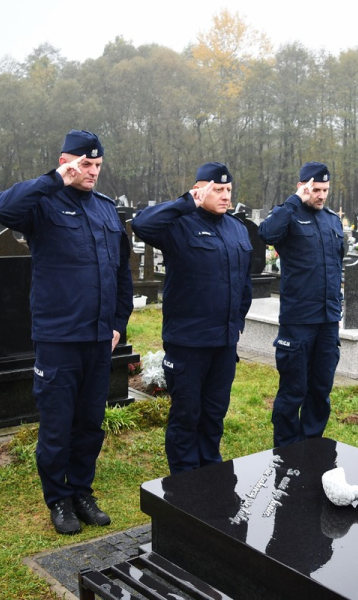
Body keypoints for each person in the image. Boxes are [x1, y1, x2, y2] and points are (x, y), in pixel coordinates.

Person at [0, 130, 133, 535]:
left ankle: (82, 491)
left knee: (90, 422)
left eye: (97, 166)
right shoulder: (43, 203)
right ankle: (58, 498)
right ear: (67, 161)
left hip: (98, 339)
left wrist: (118, 326)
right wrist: (56, 178)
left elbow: (121, 274)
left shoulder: (107, 210)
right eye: (85, 165)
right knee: (57, 424)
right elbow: (2, 208)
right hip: (58, 337)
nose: (92, 172)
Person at [131, 162, 252, 474]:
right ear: (200, 190)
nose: (225, 196)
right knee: (186, 415)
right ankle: (185, 482)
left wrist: (237, 323)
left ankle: (210, 471)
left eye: (228, 190)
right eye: (217, 190)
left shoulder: (237, 228)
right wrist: (188, 202)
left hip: (223, 343)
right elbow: (142, 224)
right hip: (188, 342)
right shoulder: (179, 225)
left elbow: (243, 283)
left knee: (214, 413)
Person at [258, 162, 344, 447]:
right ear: (303, 186)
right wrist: (296, 200)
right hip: (298, 320)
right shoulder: (290, 214)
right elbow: (266, 233)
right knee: (293, 390)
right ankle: (285, 449)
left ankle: (311, 446)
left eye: (325, 190)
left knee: (320, 390)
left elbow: (336, 263)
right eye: (316, 189)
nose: (321, 195)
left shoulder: (332, 220)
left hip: (328, 320)